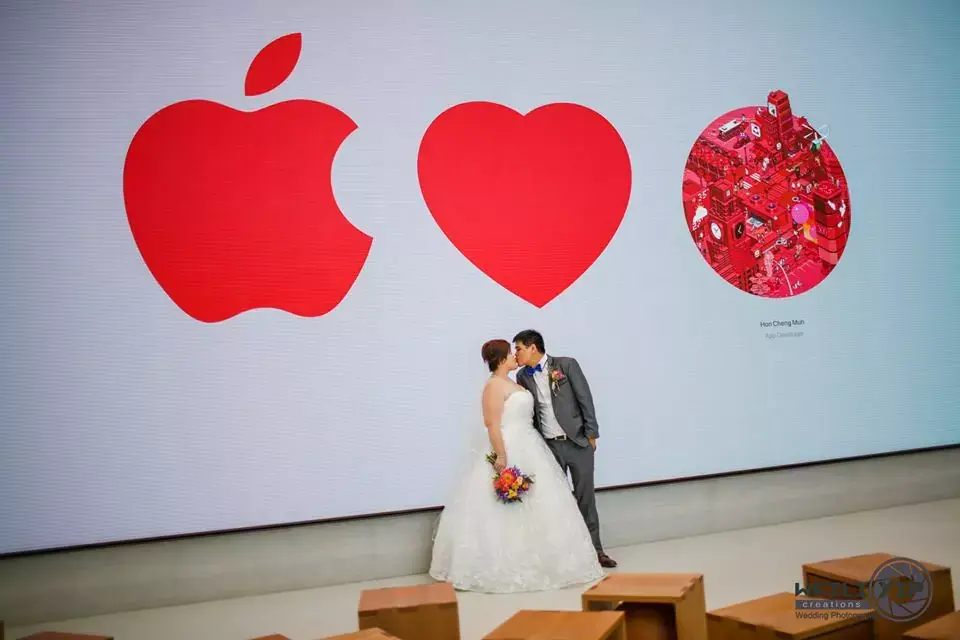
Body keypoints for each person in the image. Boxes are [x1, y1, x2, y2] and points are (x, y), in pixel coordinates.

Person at [428, 339, 605, 593]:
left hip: (532, 445)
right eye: (511, 353)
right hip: (510, 448)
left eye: (517, 350)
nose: (514, 356)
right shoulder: (493, 386)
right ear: (500, 358)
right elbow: (492, 424)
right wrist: (501, 456)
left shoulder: (517, 380)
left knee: (547, 503)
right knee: (506, 509)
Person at [513, 329, 618, 568]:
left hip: (577, 442)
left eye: (518, 348)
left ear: (532, 347)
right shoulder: (522, 376)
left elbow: (585, 399)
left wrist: (591, 434)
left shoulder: (566, 365)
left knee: (585, 498)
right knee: (556, 501)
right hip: (549, 447)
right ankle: (564, 554)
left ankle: (596, 551)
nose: (515, 353)